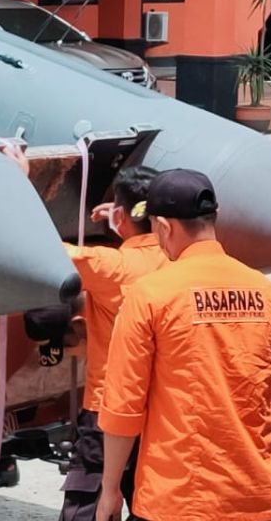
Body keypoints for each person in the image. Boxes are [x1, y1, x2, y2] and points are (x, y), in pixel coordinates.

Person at [97, 169, 271, 521]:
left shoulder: (151, 295)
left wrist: (110, 490)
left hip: (175, 501)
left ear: (164, 227)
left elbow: (124, 408)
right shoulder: (270, 294)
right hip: (252, 500)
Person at [55, 166, 167, 521]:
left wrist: (18, 178)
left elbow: (39, 249)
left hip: (108, 413)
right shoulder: (178, 261)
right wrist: (123, 221)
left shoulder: (110, 266)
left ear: (121, 215)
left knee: (91, 506)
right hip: (163, 415)